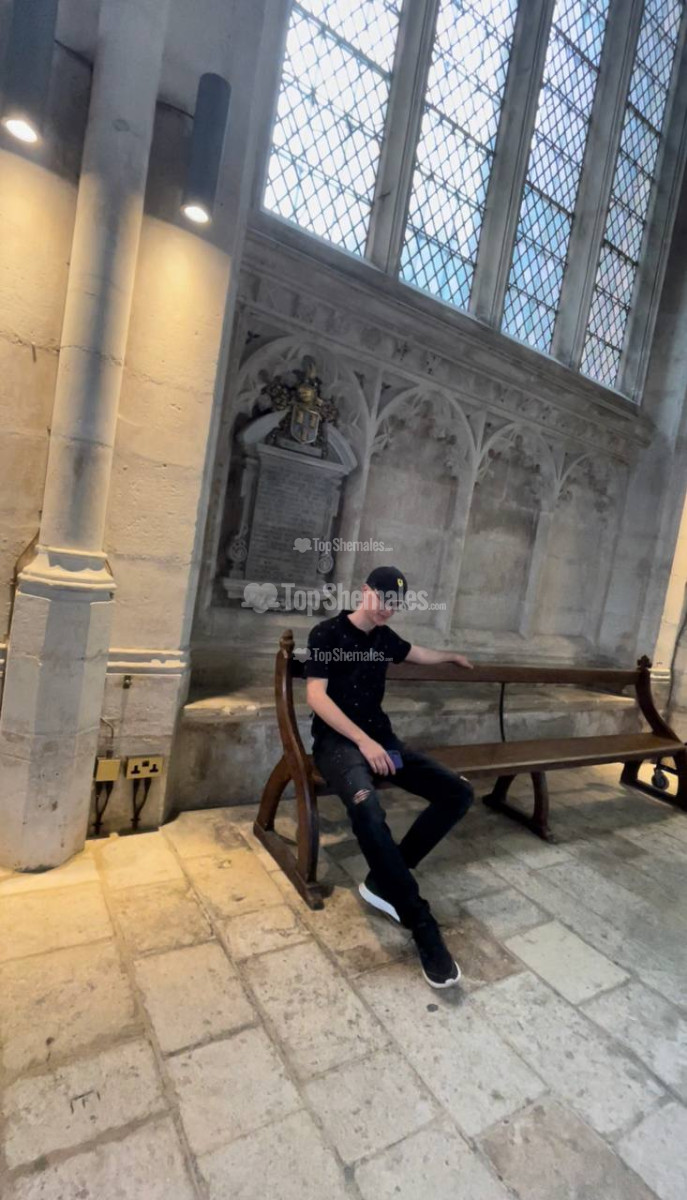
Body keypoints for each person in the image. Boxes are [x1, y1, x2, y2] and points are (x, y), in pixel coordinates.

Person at [304, 566, 475, 988]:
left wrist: (450, 655)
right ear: (365, 591)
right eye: (382, 599)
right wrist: (363, 742)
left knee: (457, 793)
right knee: (367, 807)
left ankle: (385, 879)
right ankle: (421, 923)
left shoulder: (384, 639)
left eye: (395, 604)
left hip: (382, 740)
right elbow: (315, 696)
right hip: (338, 744)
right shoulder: (327, 633)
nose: (387, 609)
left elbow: (417, 652)